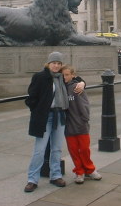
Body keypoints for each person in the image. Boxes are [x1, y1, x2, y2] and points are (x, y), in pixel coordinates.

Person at [24, 51, 85, 193]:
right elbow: (31, 99)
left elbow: (78, 79)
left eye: (58, 63)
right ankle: (32, 179)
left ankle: (55, 175)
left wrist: (82, 83)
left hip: (60, 115)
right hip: (45, 117)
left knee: (57, 148)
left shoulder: (63, 77)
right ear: (48, 63)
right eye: (54, 63)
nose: (56, 66)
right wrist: (38, 111)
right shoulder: (40, 77)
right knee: (39, 150)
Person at [61, 65, 102, 184]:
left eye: (67, 75)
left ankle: (89, 169)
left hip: (80, 124)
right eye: (63, 75)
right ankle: (79, 172)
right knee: (73, 150)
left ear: (73, 75)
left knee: (84, 149)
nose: (65, 77)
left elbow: (84, 105)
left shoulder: (76, 87)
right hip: (68, 125)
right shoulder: (61, 88)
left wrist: (84, 119)